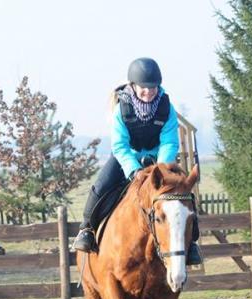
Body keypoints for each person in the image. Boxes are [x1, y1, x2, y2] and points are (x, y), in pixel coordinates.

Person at [72, 57, 202, 265]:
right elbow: (120, 145)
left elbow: (169, 141)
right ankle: (86, 229)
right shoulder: (121, 110)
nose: (149, 92)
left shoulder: (166, 107)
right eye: (144, 87)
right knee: (100, 187)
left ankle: (192, 243)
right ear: (134, 85)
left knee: (184, 194)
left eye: (152, 88)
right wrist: (133, 170)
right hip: (127, 157)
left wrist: (161, 169)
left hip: (159, 160)